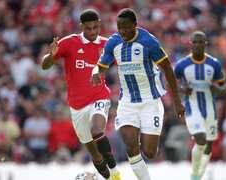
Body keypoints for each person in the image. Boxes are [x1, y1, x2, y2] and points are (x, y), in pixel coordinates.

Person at [91, 8, 185, 180]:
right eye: (119, 28)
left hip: (150, 101)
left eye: (126, 27)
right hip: (127, 103)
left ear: (135, 25)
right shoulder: (113, 42)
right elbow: (101, 64)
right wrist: (95, 72)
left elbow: (168, 70)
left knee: (149, 152)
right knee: (131, 148)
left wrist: (177, 101)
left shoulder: (149, 42)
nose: (122, 31)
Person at [41, 9, 121, 180]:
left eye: (95, 28)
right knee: (96, 156)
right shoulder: (69, 43)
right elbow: (45, 65)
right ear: (81, 27)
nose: (92, 32)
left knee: (97, 130)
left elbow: (125, 63)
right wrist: (51, 56)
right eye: (88, 28)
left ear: (99, 25)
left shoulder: (107, 45)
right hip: (77, 105)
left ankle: (116, 173)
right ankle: (106, 176)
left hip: (99, 96)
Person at [174, 31, 226, 180]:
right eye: (195, 42)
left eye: (200, 42)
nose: (197, 45)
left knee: (208, 146)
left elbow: (223, 86)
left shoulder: (214, 64)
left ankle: (198, 174)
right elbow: (171, 83)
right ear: (190, 44)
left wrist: (218, 89)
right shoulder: (182, 65)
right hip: (192, 107)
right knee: (201, 140)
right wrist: (182, 89)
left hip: (210, 109)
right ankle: (194, 175)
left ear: (205, 44)